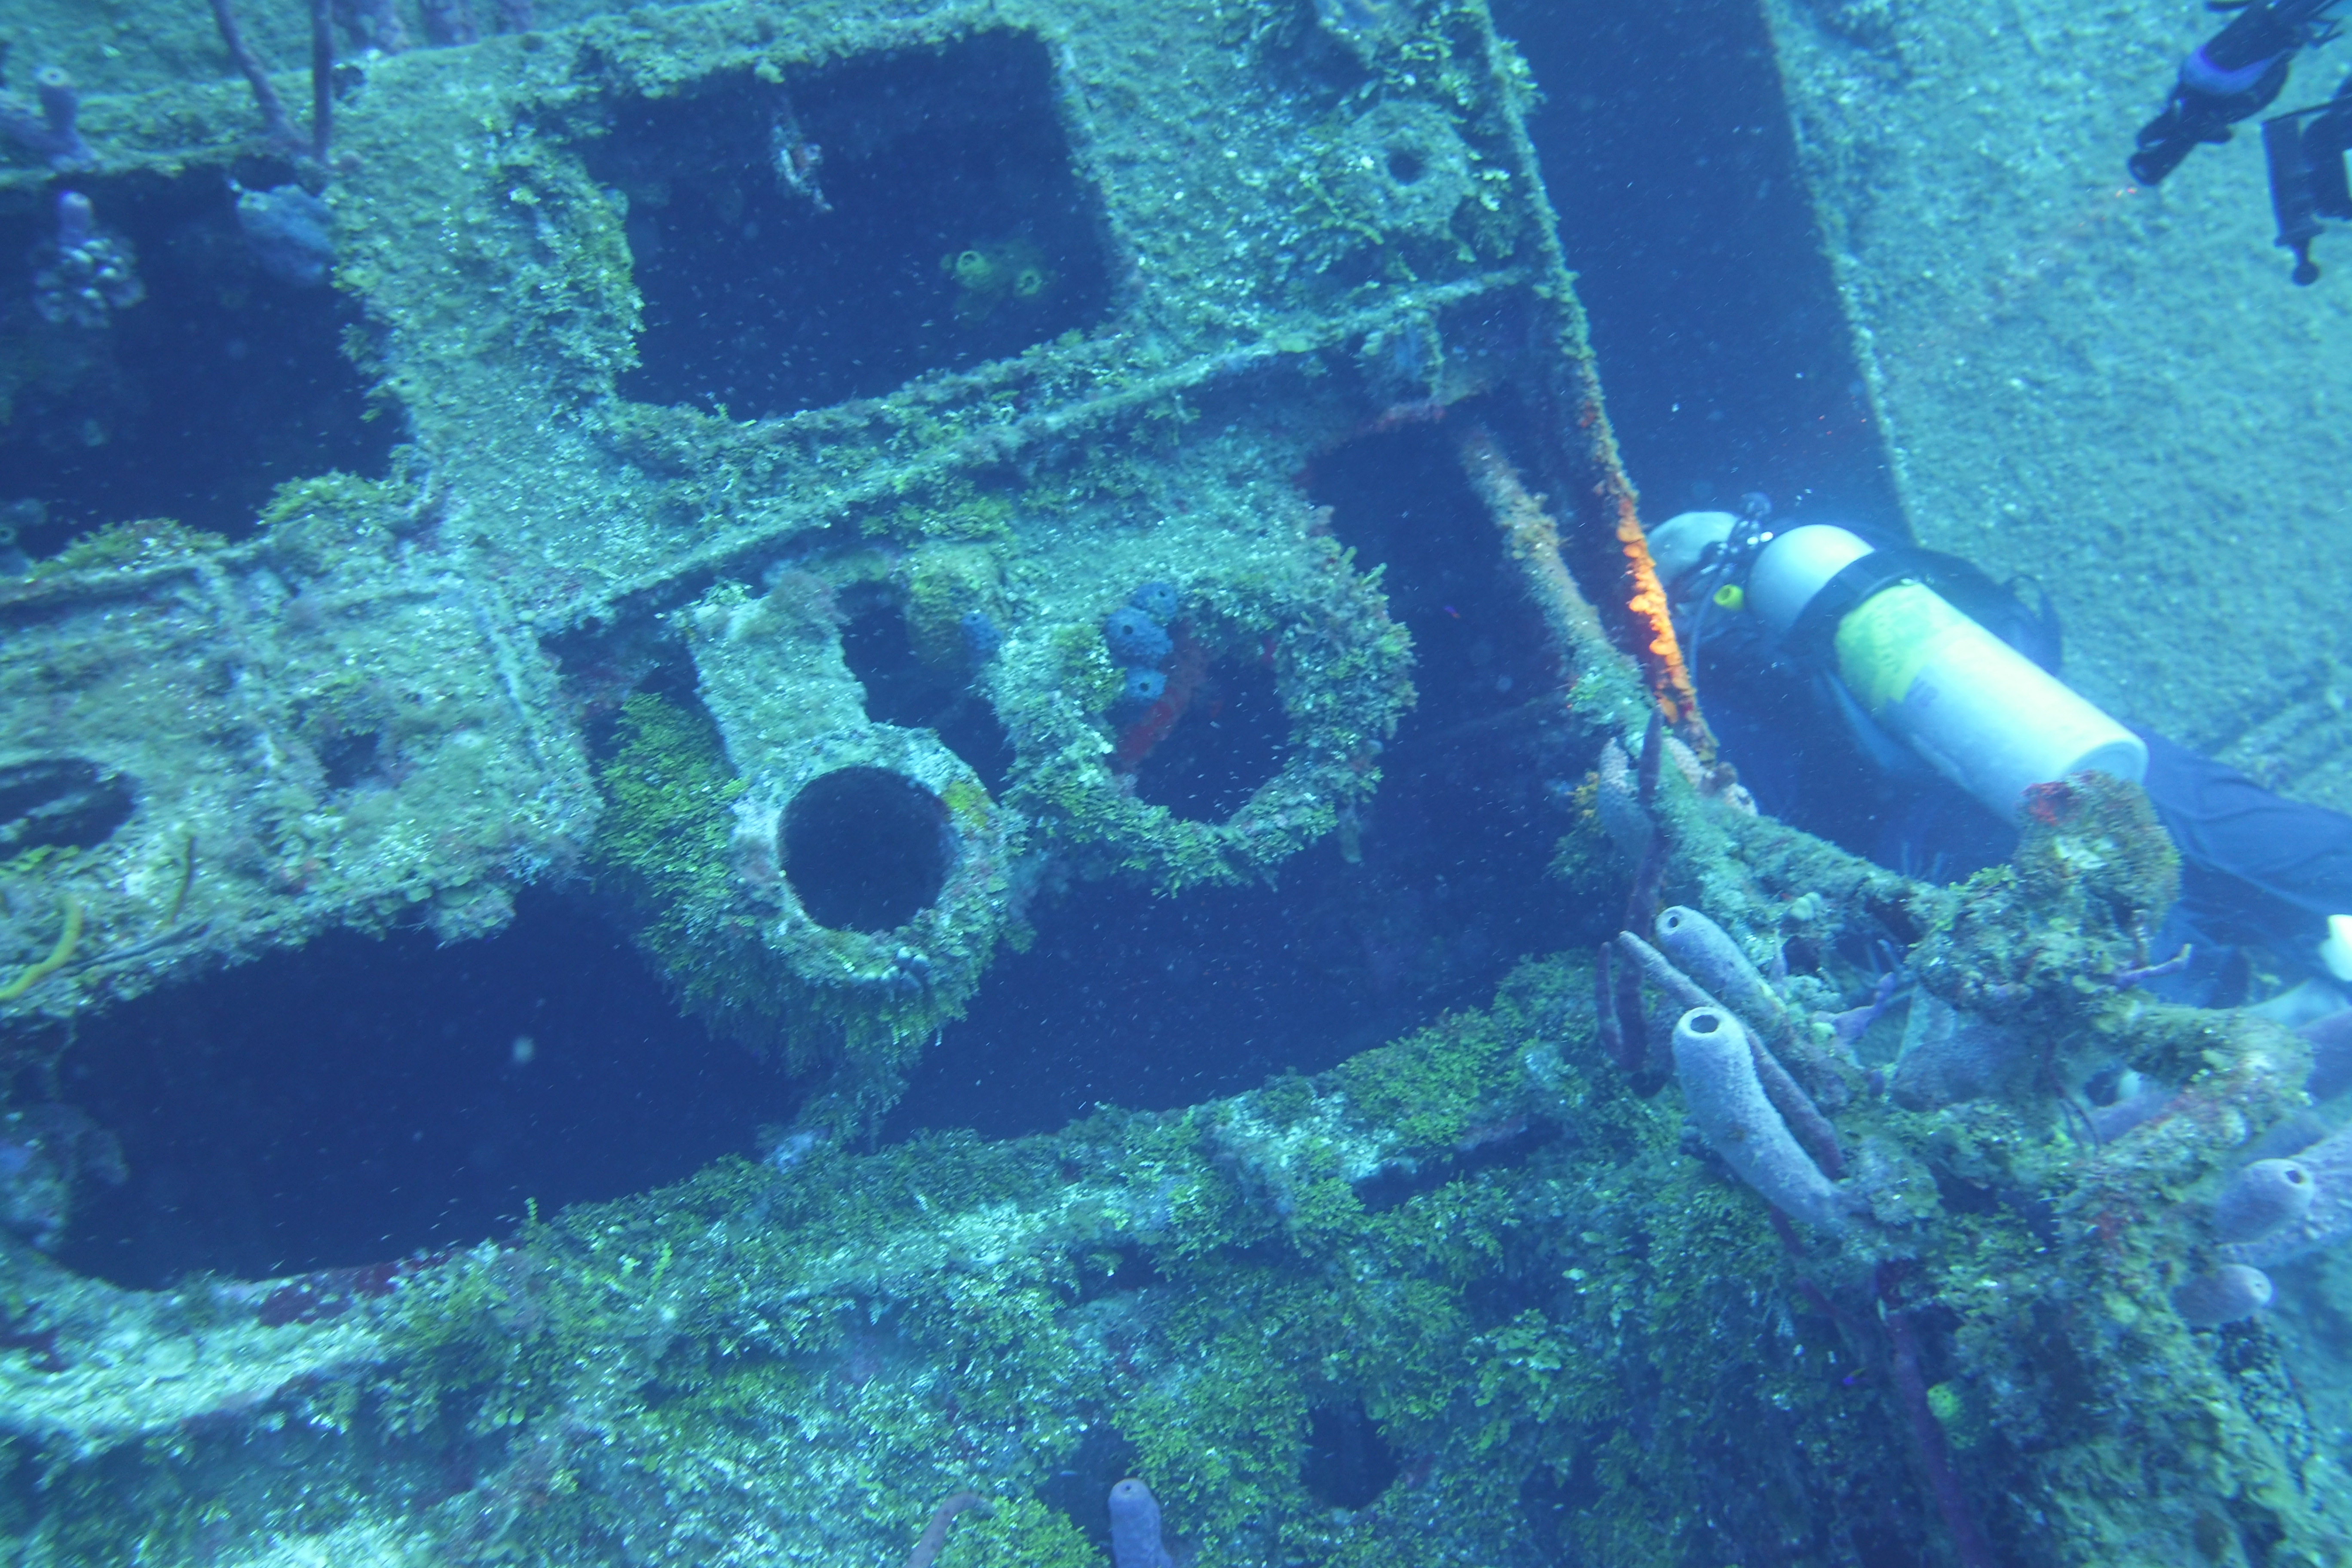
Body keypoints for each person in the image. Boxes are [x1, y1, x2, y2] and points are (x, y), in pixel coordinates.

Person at [1647, 506, 2352, 1008]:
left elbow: (1791, 801)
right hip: (2076, 729)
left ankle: (2258, 1023)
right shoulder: (1855, 561)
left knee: (2133, 957)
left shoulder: (1722, 656)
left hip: (1962, 819)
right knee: (2246, 840)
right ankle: (2311, 939)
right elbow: (2016, 626)